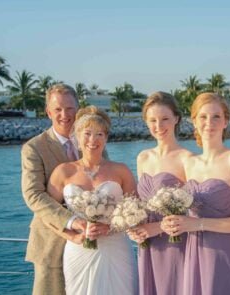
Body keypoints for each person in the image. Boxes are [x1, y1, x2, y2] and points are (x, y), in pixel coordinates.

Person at [163, 93, 230, 295]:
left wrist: (198, 224)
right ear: (193, 121)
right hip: (192, 253)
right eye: (203, 117)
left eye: (216, 117)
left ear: (226, 121)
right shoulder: (188, 163)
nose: (209, 123)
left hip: (224, 253)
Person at [47, 105, 137, 294]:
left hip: (116, 247)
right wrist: (73, 236)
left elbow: (135, 211)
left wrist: (111, 227)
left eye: (99, 134)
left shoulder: (121, 171)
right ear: (77, 137)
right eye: (87, 133)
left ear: (106, 138)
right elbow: (48, 215)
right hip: (78, 249)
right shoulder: (63, 172)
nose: (93, 140)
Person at [21, 84, 87, 295]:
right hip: (51, 242)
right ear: (48, 112)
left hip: (90, 242)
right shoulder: (33, 148)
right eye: (58, 109)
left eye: (69, 108)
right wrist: (71, 221)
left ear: (78, 109)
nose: (64, 115)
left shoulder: (92, 141)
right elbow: (33, 195)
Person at [127, 91, 193, 295]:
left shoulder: (187, 158)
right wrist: (134, 228)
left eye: (165, 119)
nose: (159, 126)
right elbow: (142, 204)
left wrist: (157, 228)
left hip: (176, 243)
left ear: (176, 119)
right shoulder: (143, 158)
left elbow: (194, 211)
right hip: (148, 244)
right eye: (153, 120)